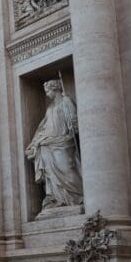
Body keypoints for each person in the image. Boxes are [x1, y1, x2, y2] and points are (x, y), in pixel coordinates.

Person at [25, 79, 83, 211]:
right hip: (48, 143)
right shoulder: (50, 108)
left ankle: (78, 196)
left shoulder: (66, 102)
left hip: (63, 142)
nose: (46, 94)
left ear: (55, 89)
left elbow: (74, 121)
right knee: (51, 173)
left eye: (48, 91)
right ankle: (57, 198)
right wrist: (36, 142)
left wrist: (73, 127)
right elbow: (44, 127)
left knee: (66, 168)